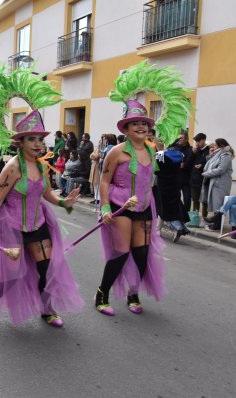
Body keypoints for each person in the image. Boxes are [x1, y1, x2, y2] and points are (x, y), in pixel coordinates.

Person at [0, 110, 84, 332]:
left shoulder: (42, 166)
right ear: (20, 142)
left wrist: (64, 203)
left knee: (48, 269)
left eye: (40, 139)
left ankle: (47, 309)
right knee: (11, 276)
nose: (37, 143)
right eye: (31, 139)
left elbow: (47, 193)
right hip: (11, 226)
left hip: (38, 224)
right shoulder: (12, 167)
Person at [96, 100, 167, 315]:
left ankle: (133, 294)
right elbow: (104, 181)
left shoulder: (151, 149)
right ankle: (102, 293)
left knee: (142, 254)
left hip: (145, 206)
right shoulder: (116, 152)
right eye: (135, 123)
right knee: (121, 252)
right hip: (121, 205)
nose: (141, 127)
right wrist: (105, 207)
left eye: (144, 123)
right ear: (125, 128)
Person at [154, 139, 191, 243]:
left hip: (163, 185)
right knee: (174, 205)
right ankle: (158, 229)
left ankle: (178, 227)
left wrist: (158, 153)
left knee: (165, 207)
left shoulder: (161, 155)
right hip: (175, 183)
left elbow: (156, 169)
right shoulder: (179, 155)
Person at [201, 138, 234, 230]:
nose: (213, 147)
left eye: (215, 145)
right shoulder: (218, 154)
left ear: (221, 146)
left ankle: (217, 225)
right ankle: (216, 224)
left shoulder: (226, 155)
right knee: (216, 204)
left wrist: (206, 173)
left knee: (218, 204)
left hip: (221, 183)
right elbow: (209, 165)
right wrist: (211, 155)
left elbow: (221, 169)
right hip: (215, 182)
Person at [190, 133, 210, 218]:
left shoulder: (209, 150)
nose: (197, 143)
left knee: (204, 201)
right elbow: (189, 163)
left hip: (204, 179)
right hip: (194, 179)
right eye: (196, 141)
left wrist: (202, 166)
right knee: (195, 200)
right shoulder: (196, 150)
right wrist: (192, 153)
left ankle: (204, 218)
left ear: (203, 140)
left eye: (198, 141)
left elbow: (210, 163)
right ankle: (195, 218)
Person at [175, 131, 193, 211]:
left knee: (187, 198)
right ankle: (177, 213)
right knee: (175, 197)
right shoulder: (176, 148)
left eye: (181, 138)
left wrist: (184, 165)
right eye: (178, 138)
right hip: (176, 177)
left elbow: (189, 162)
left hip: (186, 179)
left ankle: (186, 215)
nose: (179, 140)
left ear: (186, 139)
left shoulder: (190, 150)